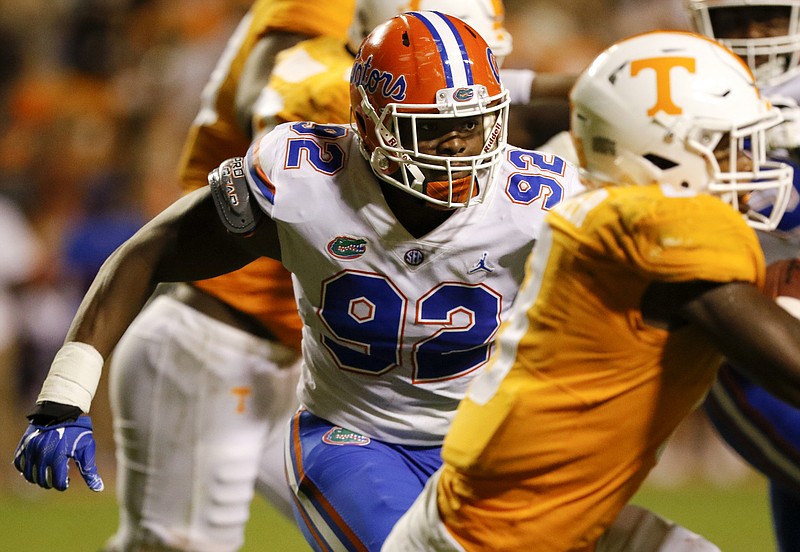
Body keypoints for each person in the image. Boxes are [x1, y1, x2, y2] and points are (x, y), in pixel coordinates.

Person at [12, 10, 584, 552]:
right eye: (431, 128)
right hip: (355, 437)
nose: (458, 144)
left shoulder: (542, 200)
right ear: (370, 125)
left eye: (472, 122)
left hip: (484, 445)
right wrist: (65, 392)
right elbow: (151, 252)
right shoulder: (307, 180)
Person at [382, 30, 800, 551]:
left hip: (505, 514)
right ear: (662, 152)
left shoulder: (614, 207)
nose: (748, 166)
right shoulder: (662, 225)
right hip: (497, 537)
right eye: (723, 144)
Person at [98, 1, 357, 550]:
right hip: (218, 344)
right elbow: (263, 106)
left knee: (397, 534)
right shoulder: (323, 10)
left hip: (304, 367)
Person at [687, 3, 800, 550]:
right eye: (736, 19)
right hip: (747, 322)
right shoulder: (674, 92)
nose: (753, 36)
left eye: (769, 19)